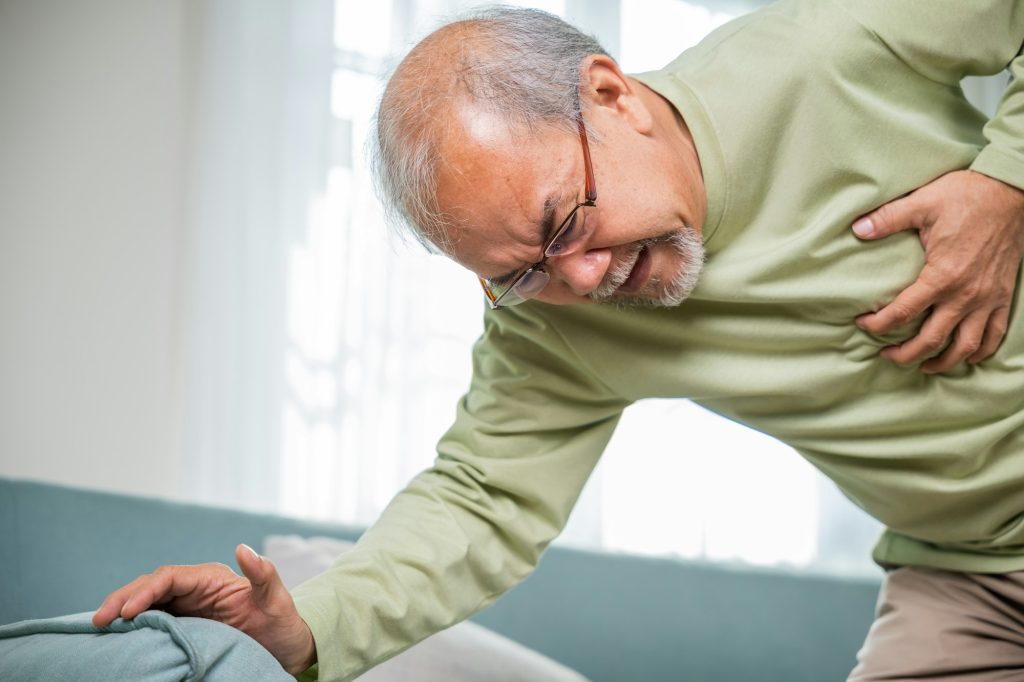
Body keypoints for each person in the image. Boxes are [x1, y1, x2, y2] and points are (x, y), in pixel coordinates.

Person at [93, 2, 1024, 680]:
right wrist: (304, 625)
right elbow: (482, 498)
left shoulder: (827, 45)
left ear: (611, 94)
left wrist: (1008, 183)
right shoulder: (550, 321)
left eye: (563, 218)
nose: (579, 280)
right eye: (520, 270)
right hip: (968, 572)